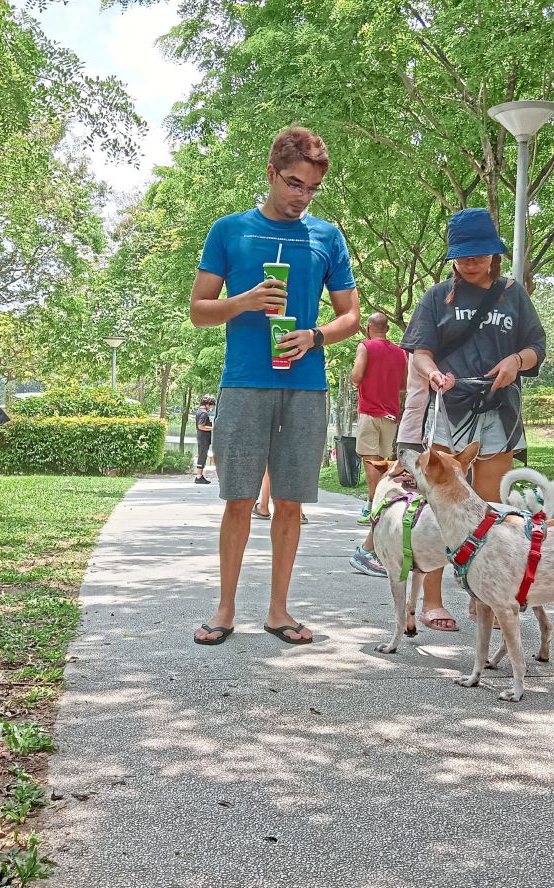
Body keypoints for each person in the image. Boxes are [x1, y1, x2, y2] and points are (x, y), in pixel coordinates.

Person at [189, 125, 361, 646]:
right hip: (243, 383)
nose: (300, 197)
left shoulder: (327, 237)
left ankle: (279, 611)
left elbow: (351, 315)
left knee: (290, 502)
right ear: (271, 173)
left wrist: (314, 336)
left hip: (306, 387)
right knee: (238, 498)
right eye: (293, 184)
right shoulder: (229, 231)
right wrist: (242, 301)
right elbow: (198, 311)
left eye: (311, 189)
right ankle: (223, 610)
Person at [397, 207, 546, 631]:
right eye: (462, 256)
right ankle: (432, 600)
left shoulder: (512, 294)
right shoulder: (435, 296)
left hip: (498, 408)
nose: (470, 262)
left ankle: (490, 597)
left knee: (494, 505)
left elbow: (538, 346)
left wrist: (517, 361)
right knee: (442, 505)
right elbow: (420, 350)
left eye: (478, 254)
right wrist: (432, 373)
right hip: (449, 407)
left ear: (494, 254)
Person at [348, 313, 407, 576]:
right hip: (391, 414)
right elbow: (404, 385)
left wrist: (355, 376)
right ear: (388, 328)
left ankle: (373, 502)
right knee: (385, 462)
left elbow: (357, 376)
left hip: (370, 412)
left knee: (370, 460)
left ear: (370, 328)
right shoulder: (401, 353)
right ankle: (380, 500)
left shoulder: (365, 346)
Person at [193, 394, 216, 484]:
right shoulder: (203, 413)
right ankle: (198, 476)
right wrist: (212, 428)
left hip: (202, 437)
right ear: (208, 404)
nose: (211, 408)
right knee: (202, 456)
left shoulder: (199, 411)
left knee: (202, 455)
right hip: (203, 438)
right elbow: (200, 426)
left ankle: (200, 476)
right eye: (211, 405)